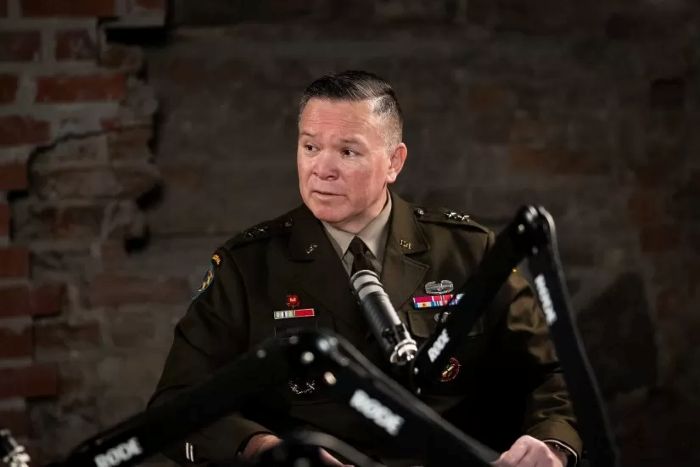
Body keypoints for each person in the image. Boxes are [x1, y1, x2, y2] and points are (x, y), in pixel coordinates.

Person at [150, 71, 582, 466]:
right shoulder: (247, 266)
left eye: (348, 151)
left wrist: (551, 444)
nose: (322, 169)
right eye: (310, 147)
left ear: (394, 161)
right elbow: (176, 402)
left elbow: (554, 374)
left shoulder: (470, 252)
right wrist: (265, 450)